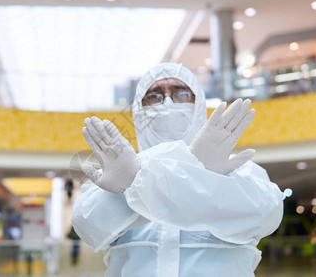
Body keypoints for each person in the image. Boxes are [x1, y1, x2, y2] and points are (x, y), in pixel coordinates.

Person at [71, 63, 283, 276]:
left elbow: (267, 215)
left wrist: (137, 186)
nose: (168, 102)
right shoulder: (117, 170)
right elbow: (88, 227)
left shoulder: (238, 169)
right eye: (154, 96)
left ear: (199, 103)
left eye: (181, 93)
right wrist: (200, 179)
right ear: (138, 108)